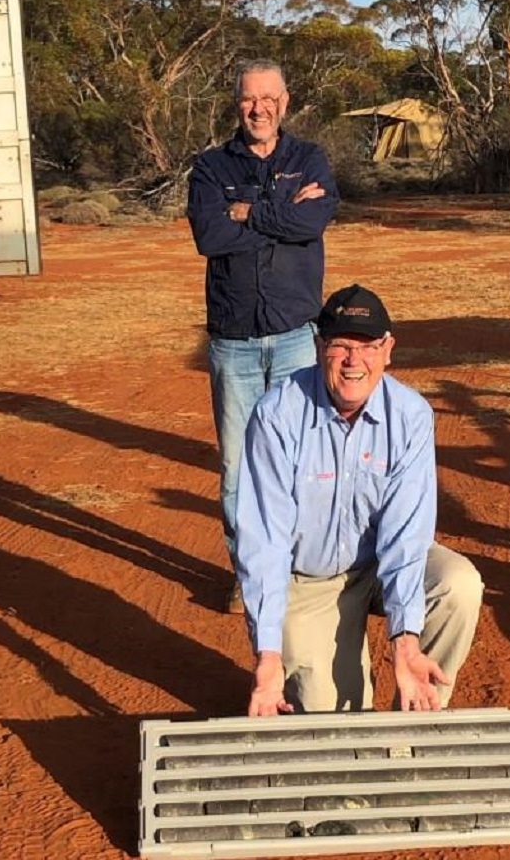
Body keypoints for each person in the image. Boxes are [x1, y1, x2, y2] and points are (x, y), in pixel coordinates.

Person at [234, 284, 484, 715]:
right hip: (309, 578)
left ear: (388, 350)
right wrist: (268, 654)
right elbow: (265, 541)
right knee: (334, 718)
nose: (354, 361)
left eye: (368, 347)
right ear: (319, 348)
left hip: (380, 565)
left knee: (457, 585)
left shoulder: (410, 415)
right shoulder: (277, 415)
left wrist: (405, 640)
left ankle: (417, 714)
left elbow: (406, 535)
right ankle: (332, 682)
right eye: (341, 346)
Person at [187, 59, 340, 613]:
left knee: (300, 458)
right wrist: (278, 213)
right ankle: (250, 575)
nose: (260, 109)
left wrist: (247, 212)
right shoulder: (210, 167)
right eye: (250, 99)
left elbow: (312, 223)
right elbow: (210, 236)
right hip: (234, 339)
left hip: (296, 332)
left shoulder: (308, 159)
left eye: (269, 98)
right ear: (237, 104)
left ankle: (298, 569)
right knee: (238, 467)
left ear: (285, 101)